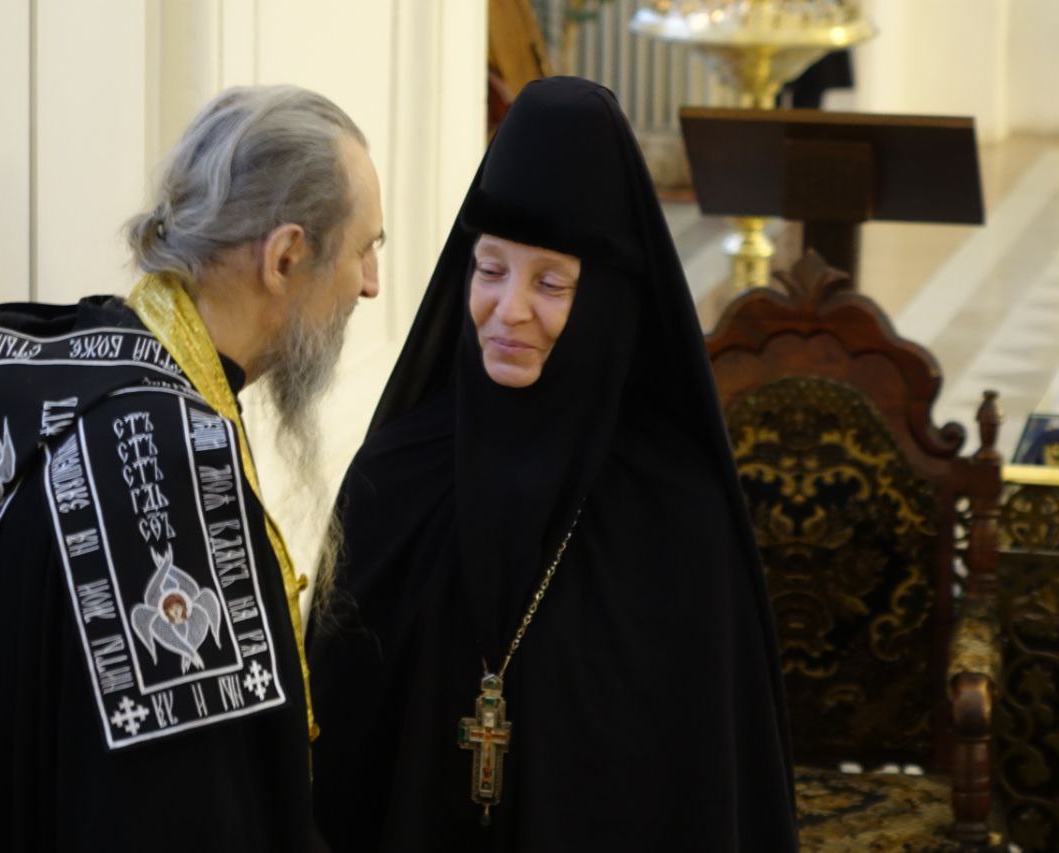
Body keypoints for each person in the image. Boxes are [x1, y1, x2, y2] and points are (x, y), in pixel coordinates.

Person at [0, 84, 383, 853]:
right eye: (366, 248)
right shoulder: (167, 466)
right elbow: (177, 816)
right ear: (285, 258)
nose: (371, 282)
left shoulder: (84, 371)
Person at [307, 76, 798, 852]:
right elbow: (341, 752)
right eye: (490, 269)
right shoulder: (396, 476)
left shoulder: (676, 511)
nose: (509, 310)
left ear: (606, 301)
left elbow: (700, 785)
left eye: (551, 282)